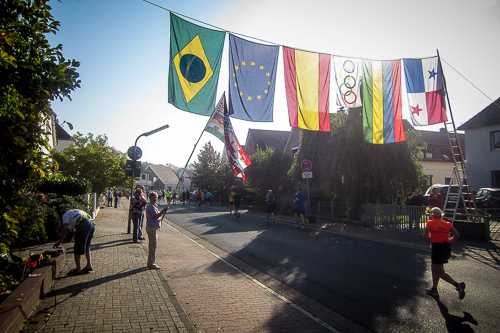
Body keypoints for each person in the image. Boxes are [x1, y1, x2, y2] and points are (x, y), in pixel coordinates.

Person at [423, 207, 466, 299]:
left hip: (436, 247)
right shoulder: (447, 223)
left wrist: (432, 234)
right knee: (434, 268)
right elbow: (457, 235)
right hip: (446, 246)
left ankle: (458, 285)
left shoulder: (430, 223)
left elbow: (425, 236)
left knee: (439, 271)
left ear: (432, 215)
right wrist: (450, 240)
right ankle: (434, 289)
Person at [54, 209, 96, 275]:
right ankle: (89, 265)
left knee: (77, 247)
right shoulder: (74, 211)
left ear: (61, 215)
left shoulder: (65, 215)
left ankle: (78, 269)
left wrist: (59, 242)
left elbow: (65, 230)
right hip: (92, 223)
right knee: (87, 246)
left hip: (84, 225)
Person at [145, 192, 169, 269]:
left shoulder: (154, 205)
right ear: (150, 198)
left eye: (156, 197)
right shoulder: (150, 206)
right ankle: (151, 263)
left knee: (153, 245)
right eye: (153, 197)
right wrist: (163, 211)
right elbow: (156, 216)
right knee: (152, 246)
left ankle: (151, 262)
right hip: (151, 227)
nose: (155, 198)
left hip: (154, 227)